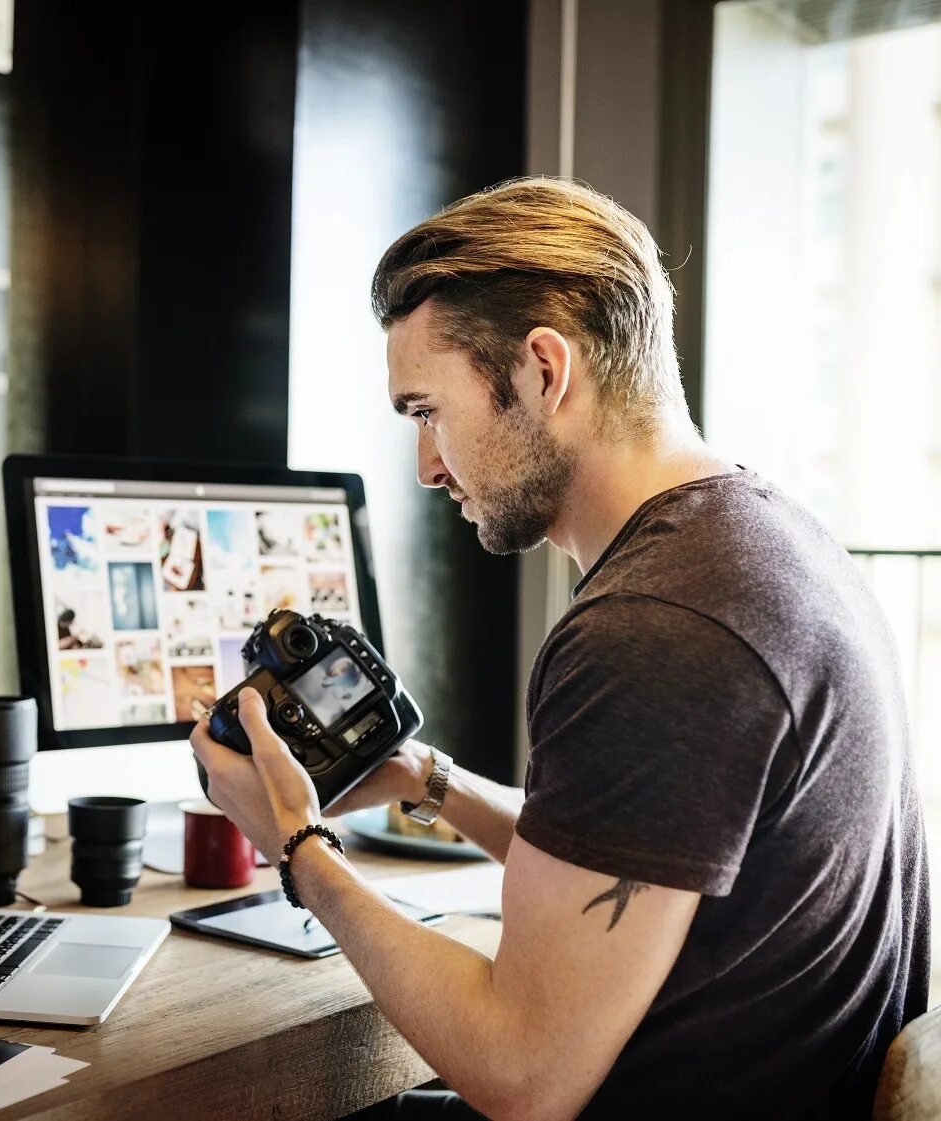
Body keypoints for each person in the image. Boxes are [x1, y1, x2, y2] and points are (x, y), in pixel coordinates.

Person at [191, 177, 928, 1121]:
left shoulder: (654, 629)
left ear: (544, 370)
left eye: (427, 412)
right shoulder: (762, 540)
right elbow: (640, 858)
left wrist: (298, 846)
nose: (426, 467)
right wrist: (429, 781)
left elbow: (523, 1075)